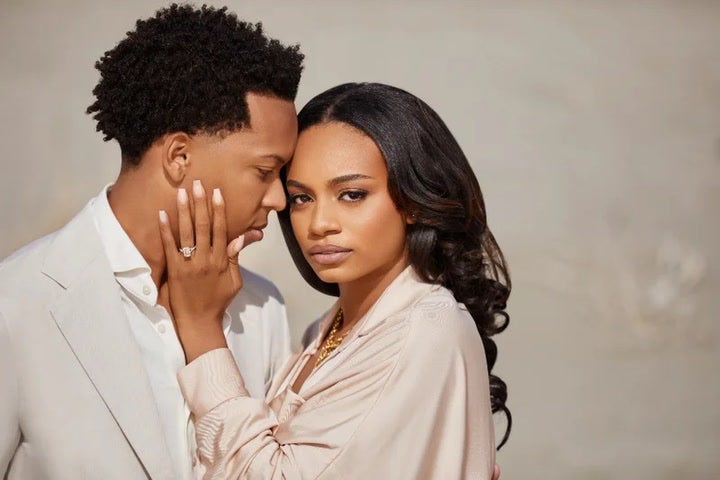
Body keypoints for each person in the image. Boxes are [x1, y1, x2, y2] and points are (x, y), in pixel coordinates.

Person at [0, 5, 304, 479]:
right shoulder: (17, 303)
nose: (280, 199)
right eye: (265, 171)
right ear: (179, 156)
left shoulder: (263, 308)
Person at [160, 82, 511, 479]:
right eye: (301, 198)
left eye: (352, 194)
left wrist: (202, 332)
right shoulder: (324, 333)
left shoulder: (424, 327)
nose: (319, 224)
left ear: (413, 201)